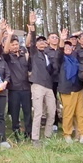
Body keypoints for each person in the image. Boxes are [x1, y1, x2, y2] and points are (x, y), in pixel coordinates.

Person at [26, 11, 58, 147]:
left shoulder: (48, 56)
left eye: (43, 41)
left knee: (52, 112)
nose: (41, 43)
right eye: (39, 42)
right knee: (38, 113)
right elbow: (32, 41)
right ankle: (35, 138)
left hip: (49, 86)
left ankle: (48, 135)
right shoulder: (34, 53)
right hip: (37, 85)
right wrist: (33, 24)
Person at [0, 21, 31, 142]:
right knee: (15, 113)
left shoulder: (24, 56)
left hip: (26, 89)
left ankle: (28, 133)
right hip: (14, 90)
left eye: (16, 44)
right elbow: (5, 51)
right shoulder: (7, 57)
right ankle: (17, 134)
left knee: (27, 112)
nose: (15, 46)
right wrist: (9, 35)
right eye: (12, 45)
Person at [58, 33, 83, 144]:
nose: (67, 48)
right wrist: (62, 39)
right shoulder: (61, 59)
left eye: (69, 46)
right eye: (65, 46)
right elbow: (60, 51)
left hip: (78, 88)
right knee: (68, 113)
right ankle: (67, 134)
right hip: (67, 90)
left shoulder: (76, 59)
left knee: (81, 113)